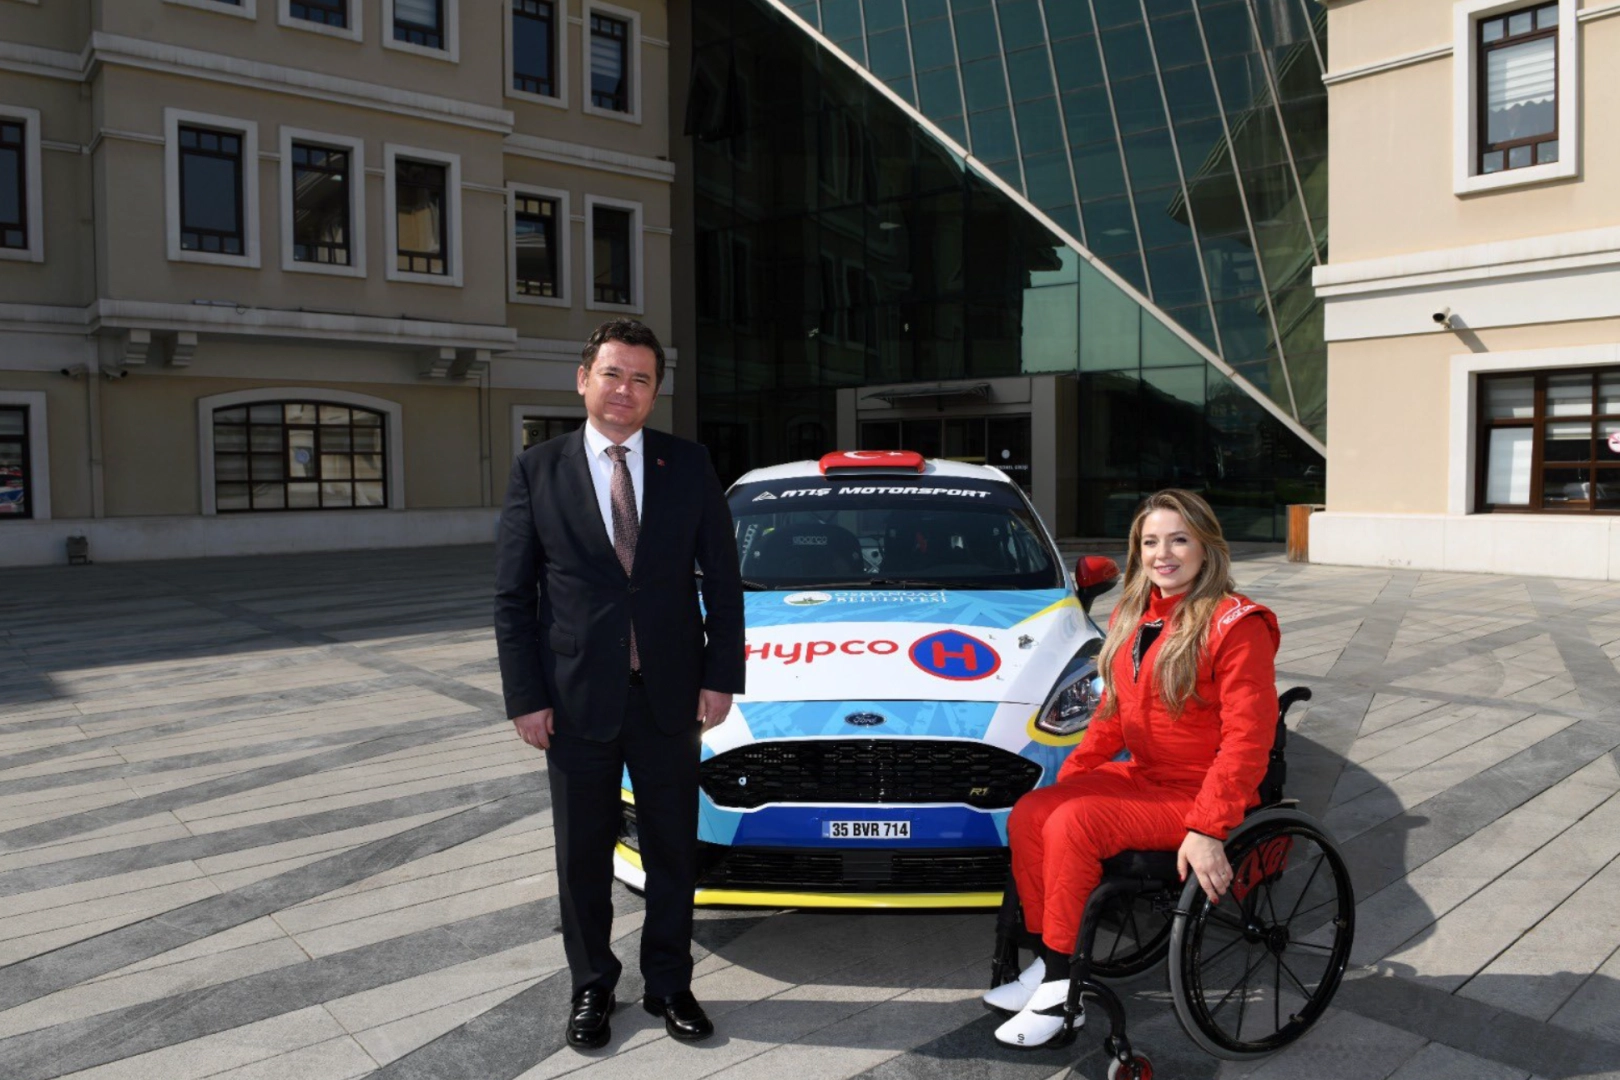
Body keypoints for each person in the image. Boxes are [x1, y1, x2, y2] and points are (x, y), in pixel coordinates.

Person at [493, 318, 745, 1050]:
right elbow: (513, 596)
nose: (624, 390)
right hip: (574, 701)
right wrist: (526, 697)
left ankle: (670, 983)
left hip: (671, 697)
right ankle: (591, 986)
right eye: (612, 373)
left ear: (655, 391)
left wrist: (720, 676)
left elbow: (722, 579)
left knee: (671, 850)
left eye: (641, 378)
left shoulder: (688, 464)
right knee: (581, 856)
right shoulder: (537, 469)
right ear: (583, 379)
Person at [985, 489, 1280, 1048]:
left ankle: (1061, 990)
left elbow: (1249, 738)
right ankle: (1050, 961)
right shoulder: (1133, 615)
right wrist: (1075, 775)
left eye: (1178, 540)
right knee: (1032, 811)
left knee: (1075, 822)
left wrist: (1209, 827)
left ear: (1206, 546)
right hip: (1145, 775)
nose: (1162, 554)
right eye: (1150, 542)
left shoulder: (1237, 624)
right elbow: (1112, 716)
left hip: (1200, 791)